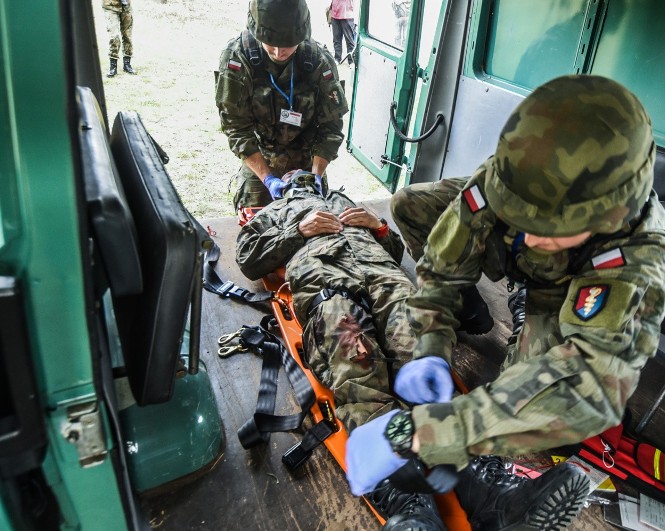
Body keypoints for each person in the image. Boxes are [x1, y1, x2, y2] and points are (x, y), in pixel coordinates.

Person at [344, 75, 665, 528]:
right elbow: (443, 265)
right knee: (411, 203)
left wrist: (424, 434)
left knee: (526, 384)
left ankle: (487, 489)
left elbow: (587, 386)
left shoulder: (639, 257)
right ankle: (477, 318)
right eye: (520, 216)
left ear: (611, 215)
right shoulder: (518, 178)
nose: (529, 234)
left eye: (549, 227)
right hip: (524, 262)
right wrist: (431, 347)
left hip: (565, 291)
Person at [235, 170, 591, 531]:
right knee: (358, 368)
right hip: (328, 284)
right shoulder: (271, 213)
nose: (301, 178)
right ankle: (410, 509)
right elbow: (248, 258)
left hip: (388, 281)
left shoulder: (342, 201)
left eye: (305, 175)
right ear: (279, 187)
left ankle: (492, 495)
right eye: (293, 176)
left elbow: (393, 251)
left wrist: (379, 227)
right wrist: (298, 231)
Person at [215, 0, 348, 211]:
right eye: (270, 44)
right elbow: (236, 127)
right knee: (254, 227)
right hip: (260, 158)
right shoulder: (238, 58)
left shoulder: (317, 60)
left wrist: (315, 177)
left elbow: (331, 127)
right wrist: (268, 179)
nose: (278, 53)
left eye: (287, 45)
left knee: (317, 225)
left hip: (308, 164)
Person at [102, 0, 135, 77]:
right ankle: (113, 67)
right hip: (111, 6)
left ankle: (127, 64)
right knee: (114, 36)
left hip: (126, 6)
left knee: (127, 36)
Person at [329, 0, 356, 65]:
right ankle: (337, 58)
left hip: (347, 14)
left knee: (349, 40)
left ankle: (351, 61)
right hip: (335, 13)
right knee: (336, 39)